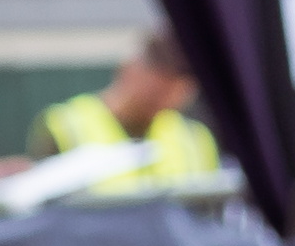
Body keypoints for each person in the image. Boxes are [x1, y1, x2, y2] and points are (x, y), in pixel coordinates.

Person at [31, 31, 223, 186]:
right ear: (129, 69)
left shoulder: (195, 138)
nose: (164, 103)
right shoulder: (65, 125)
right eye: (155, 93)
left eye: (176, 96)